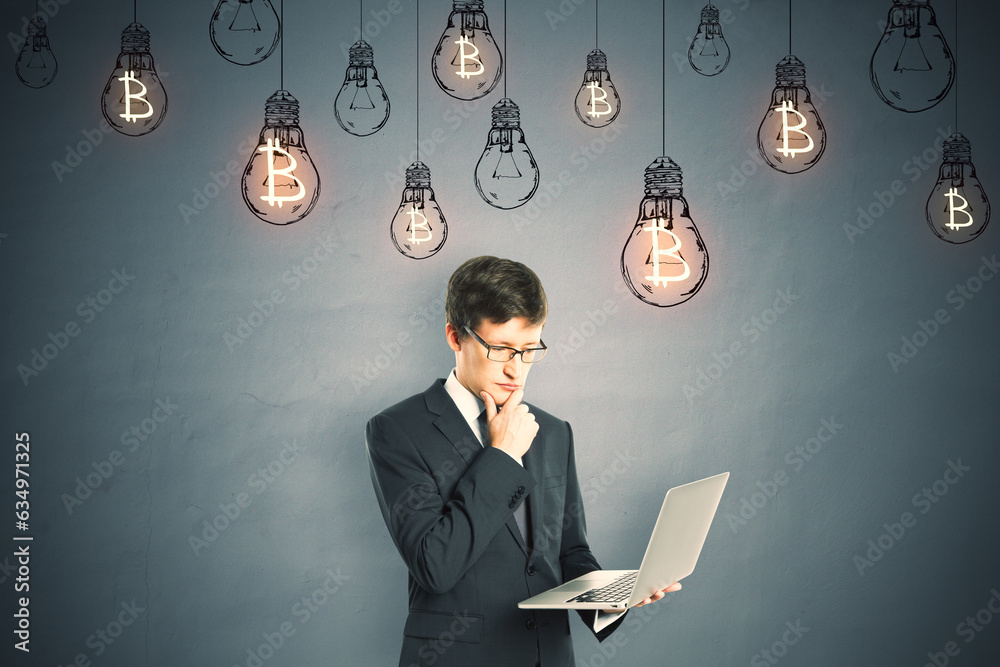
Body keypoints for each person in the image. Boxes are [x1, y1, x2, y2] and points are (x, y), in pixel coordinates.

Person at [365, 256, 678, 667]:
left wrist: (616, 595)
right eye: (501, 349)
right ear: (455, 337)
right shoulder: (398, 429)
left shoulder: (553, 431)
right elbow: (434, 564)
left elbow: (569, 552)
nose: (516, 369)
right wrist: (502, 455)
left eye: (530, 350)